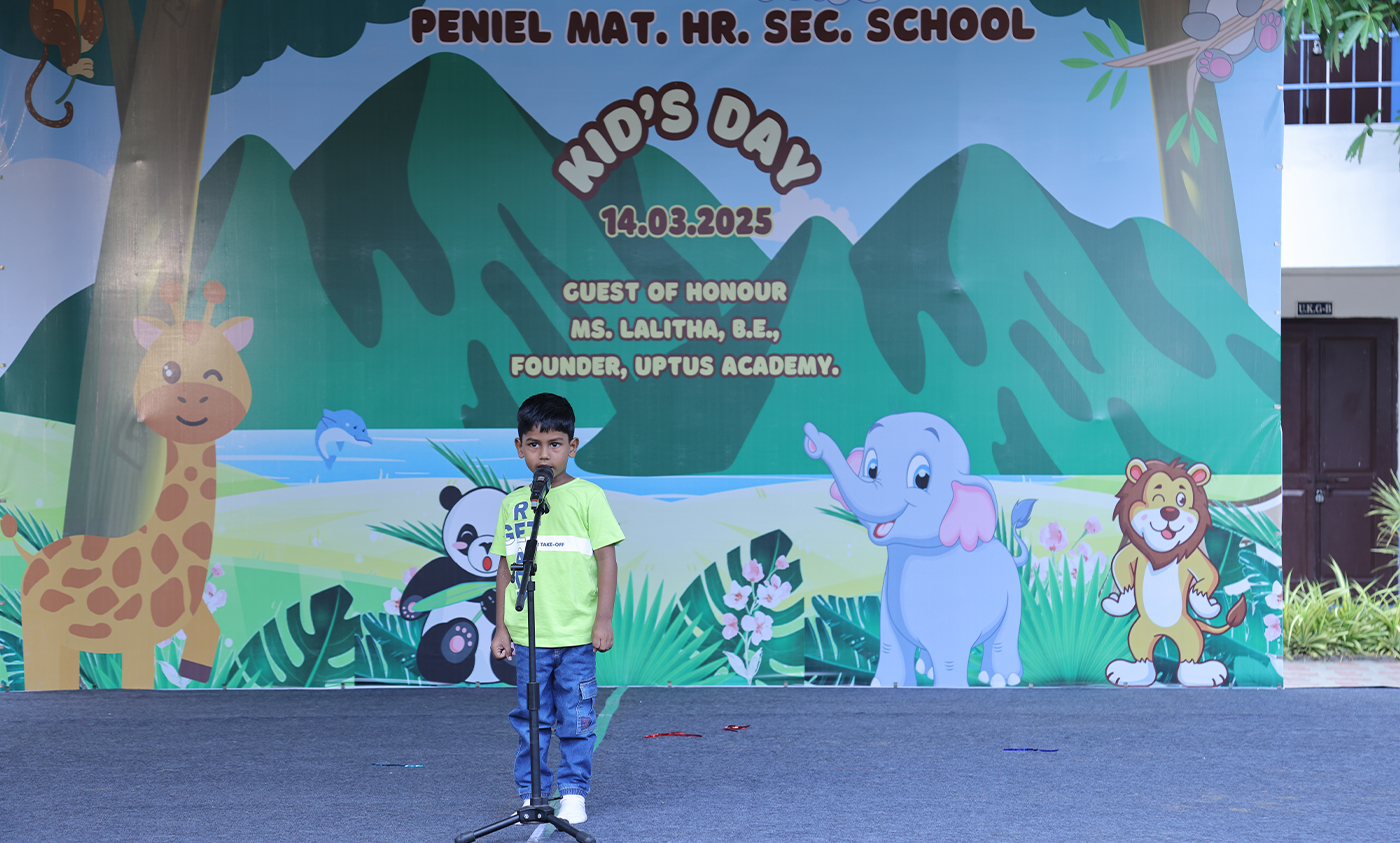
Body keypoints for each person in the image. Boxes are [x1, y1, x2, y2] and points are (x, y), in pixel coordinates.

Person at [490, 392, 622, 826]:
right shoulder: (513, 504)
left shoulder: (588, 496)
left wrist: (603, 619)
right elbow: (507, 568)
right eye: (533, 444)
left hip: (576, 637)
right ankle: (532, 793)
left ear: (572, 446)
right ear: (519, 447)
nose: (544, 454)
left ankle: (573, 792)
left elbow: (606, 560)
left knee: (577, 718)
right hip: (529, 638)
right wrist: (501, 627)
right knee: (531, 720)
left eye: (554, 444)